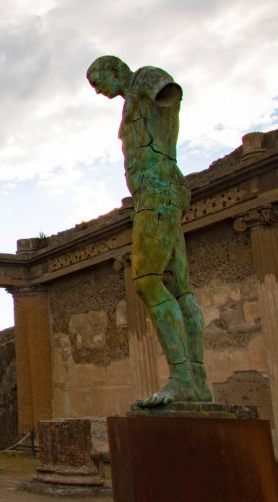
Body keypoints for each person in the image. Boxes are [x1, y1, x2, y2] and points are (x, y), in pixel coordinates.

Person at [87, 55, 211, 407]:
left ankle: (184, 376)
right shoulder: (132, 99)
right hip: (162, 191)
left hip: (157, 192)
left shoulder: (144, 80)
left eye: (99, 83)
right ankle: (197, 381)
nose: (99, 92)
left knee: (146, 281)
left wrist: (153, 92)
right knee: (179, 286)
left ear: (114, 70)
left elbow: (169, 93)